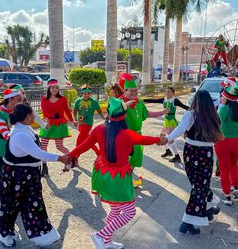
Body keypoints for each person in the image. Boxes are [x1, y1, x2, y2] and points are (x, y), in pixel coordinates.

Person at [67, 97, 165, 248]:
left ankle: (107, 242)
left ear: (108, 113)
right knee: (129, 212)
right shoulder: (127, 133)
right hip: (117, 178)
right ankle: (100, 236)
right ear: (124, 116)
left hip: (103, 174)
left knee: (116, 209)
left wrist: (69, 156)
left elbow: (84, 145)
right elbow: (144, 139)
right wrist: (159, 139)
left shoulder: (99, 129)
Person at [0, 103, 71, 247]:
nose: (34, 116)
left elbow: (37, 149)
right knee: (11, 207)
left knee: (33, 205)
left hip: (28, 177)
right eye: (32, 114)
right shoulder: (20, 135)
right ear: (27, 117)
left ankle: (42, 235)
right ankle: (5, 233)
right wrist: (60, 158)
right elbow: (38, 153)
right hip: (16, 178)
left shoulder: (24, 128)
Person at [162, 90, 223, 234]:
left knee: (198, 185)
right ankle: (189, 221)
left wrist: (168, 138)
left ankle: (204, 210)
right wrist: (168, 138)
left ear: (195, 101)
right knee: (200, 185)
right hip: (206, 153)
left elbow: (181, 128)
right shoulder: (214, 115)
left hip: (191, 153)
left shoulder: (191, 114)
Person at [118, 73, 168, 187]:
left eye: (136, 90)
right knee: (124, 160)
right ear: (124, 91)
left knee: (135, 159)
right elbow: (112, 115)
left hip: (137, 136)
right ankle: (123, 180)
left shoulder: (139, 102)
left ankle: (128, 176)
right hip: (123, 136)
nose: (134, 93)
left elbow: (147, 114)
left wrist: (162, 112)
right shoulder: (119, 102)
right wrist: (124, 106)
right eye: (131, 91)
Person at [216, 83, 238, 205]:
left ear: (227, 98)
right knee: (234, 164)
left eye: (222, 96)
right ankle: (235, 187)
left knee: (224, 168)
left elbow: (216, 124)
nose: (221, 98)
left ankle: (227, 195)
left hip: (223, 141)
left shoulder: (223, 109)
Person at [143, 87, 189, 163]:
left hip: (172, 122)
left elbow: (185, 107)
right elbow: (155, 101)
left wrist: (195, 110)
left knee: (170, 139)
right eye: (166, 91)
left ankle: (177, 157)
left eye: (169, 92)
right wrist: (144, 100)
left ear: (173, 93)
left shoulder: (175, 100)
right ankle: (168, 151)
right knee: (161, 136)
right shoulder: (164, 99)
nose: (167, 93)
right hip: (166, 121)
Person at [39, 79, 74, 176]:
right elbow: (44, 112)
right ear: (49, 88)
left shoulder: (63, 99)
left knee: (59, 146)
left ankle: (71, 157)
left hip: (59, 124)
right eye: (53, 87)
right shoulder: (44, 99)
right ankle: (44, 166)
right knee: (43, 146)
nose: (55, 89)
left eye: (56, 88)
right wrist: (46, 123)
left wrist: (72, 120)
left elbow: (67, 110)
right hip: (48, 124)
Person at [0, 88, 24, 175]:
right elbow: (5, 134)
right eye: (19, 100)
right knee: (5, 179)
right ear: (10, 99)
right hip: (2, 150)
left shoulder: (18, 110)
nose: (21, 103)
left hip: (17, 150)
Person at [72, 84, 105, 167]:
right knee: (86, 140)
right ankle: (98, 153)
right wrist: (75, 120)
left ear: (90, 93)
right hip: (80, 123)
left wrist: (103, 117)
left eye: (88, 93)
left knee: (80, 140)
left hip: (88, 123)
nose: (86, 95)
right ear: (82, 94)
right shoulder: (78, 101)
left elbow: (99, 110)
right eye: (84, 93)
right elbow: (74, 112)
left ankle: (75, 157)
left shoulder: (94, 102)